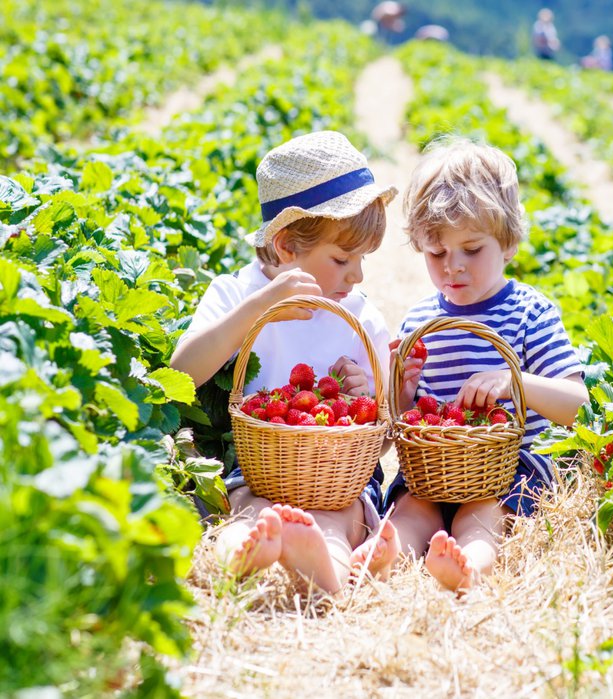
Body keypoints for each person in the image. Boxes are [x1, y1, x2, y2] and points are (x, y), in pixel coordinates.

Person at [350, 140, 589, 592]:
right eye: (436, 254)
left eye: (472, 250)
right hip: (435, 469)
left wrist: (513, 381)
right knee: (413, 506)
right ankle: (388, 552)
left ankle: (469, 564)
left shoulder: (529, 313)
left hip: (505, 470)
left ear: (509, 242)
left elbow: (579, 406)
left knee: (480, 512)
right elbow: (401, 419)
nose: (453, 268)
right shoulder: (422, 319)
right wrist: (401, 391)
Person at [170, 131, 399, 595]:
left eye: (361, 259)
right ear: (286, 246)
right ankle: (242, 552)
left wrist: (368, 397)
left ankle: (325, 566)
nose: (356, 275)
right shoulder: (236, 294)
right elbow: (182, 373)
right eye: (341, 258)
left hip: (340, 476)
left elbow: (383, 441)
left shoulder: (358, 314)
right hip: (259, 469)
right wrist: (258, 307)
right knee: (249, 506)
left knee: (340, 517)